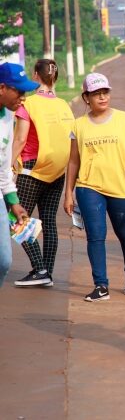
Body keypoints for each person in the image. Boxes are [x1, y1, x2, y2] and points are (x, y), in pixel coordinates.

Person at [63, 73, 125, 302]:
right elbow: (73, 161)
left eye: (105, 92)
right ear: (86, 97)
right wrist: (68, 193)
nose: (102, 97)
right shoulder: (78, 126)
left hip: (120, 187)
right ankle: (101, 286)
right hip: (88, 187)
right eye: (96, 94)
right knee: (95, 236)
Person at [12, 59, 75, 287]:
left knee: (16, 219)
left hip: (31, 169)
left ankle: (39, 269)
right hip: (57, 170)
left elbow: (20, 139)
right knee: (48, 221)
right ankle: (47, 271)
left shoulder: (27, 104)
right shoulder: (64, 105)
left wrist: (8, 165)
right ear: (55, 78)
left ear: (35, 75)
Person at [0, 62, 38, 287]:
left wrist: (13, 202)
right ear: (2, 87)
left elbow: (4, 166)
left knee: (4, 261)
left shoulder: (7, 117)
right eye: (19, 91)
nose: (23, 97)